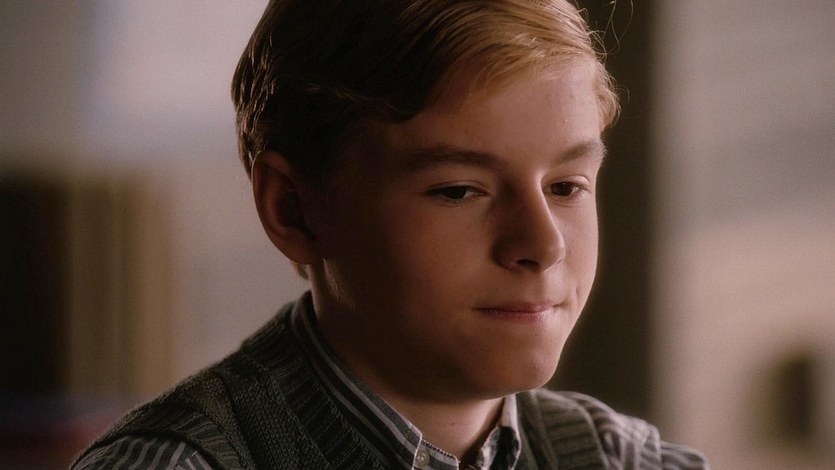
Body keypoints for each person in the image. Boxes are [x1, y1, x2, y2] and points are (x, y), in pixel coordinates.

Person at [73, 0, 708, 468]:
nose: (544, 246)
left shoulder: (621, 459)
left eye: (566, 186)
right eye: (458, 191)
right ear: (294, 210)